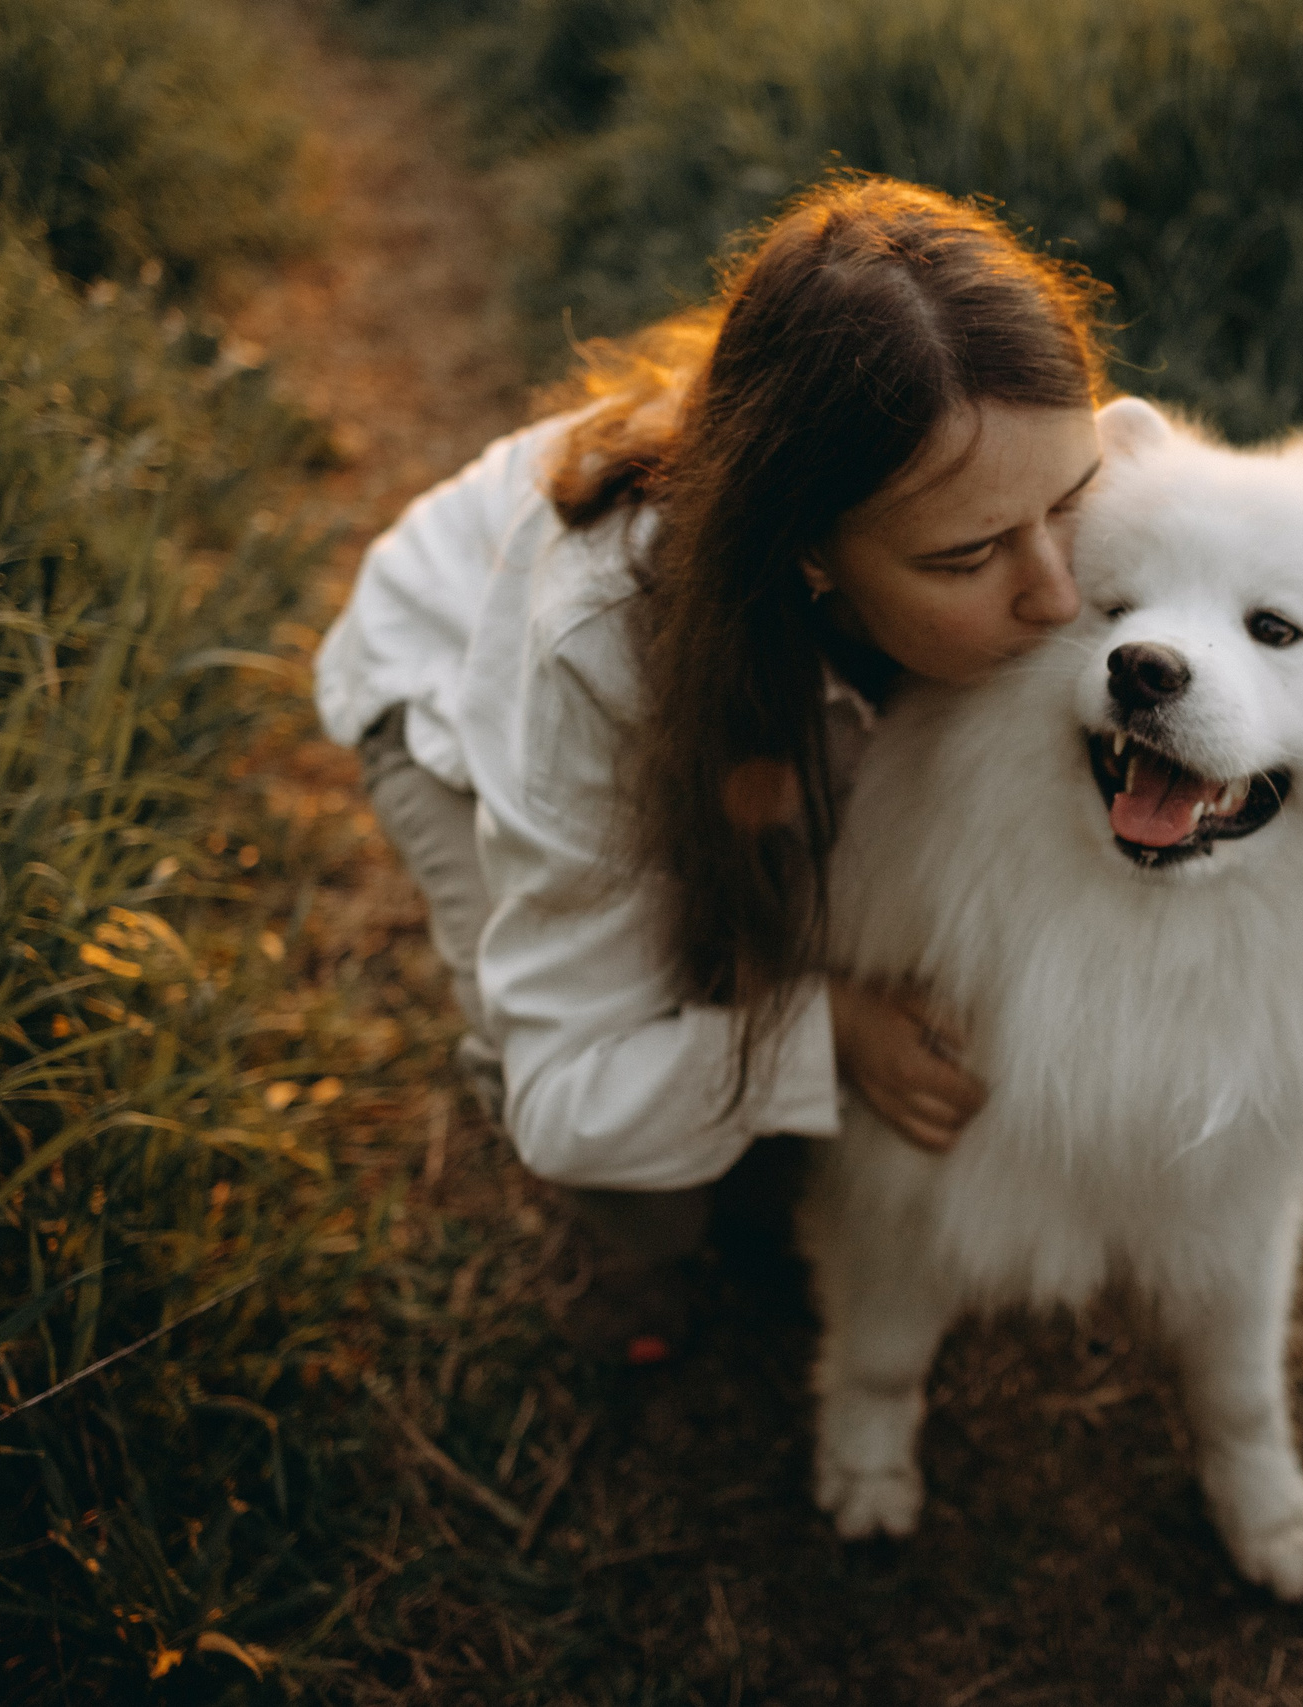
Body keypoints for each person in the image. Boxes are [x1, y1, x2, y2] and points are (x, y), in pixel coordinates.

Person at [311, 177, 1109, 1362]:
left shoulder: (1004, 478)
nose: (1059, 595)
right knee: (652, 1199)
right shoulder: (599, 652)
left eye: (1075, 500)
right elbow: (571, 1106)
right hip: (442, 677)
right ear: (810, 560)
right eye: (969, 555)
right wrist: (818, 1029)